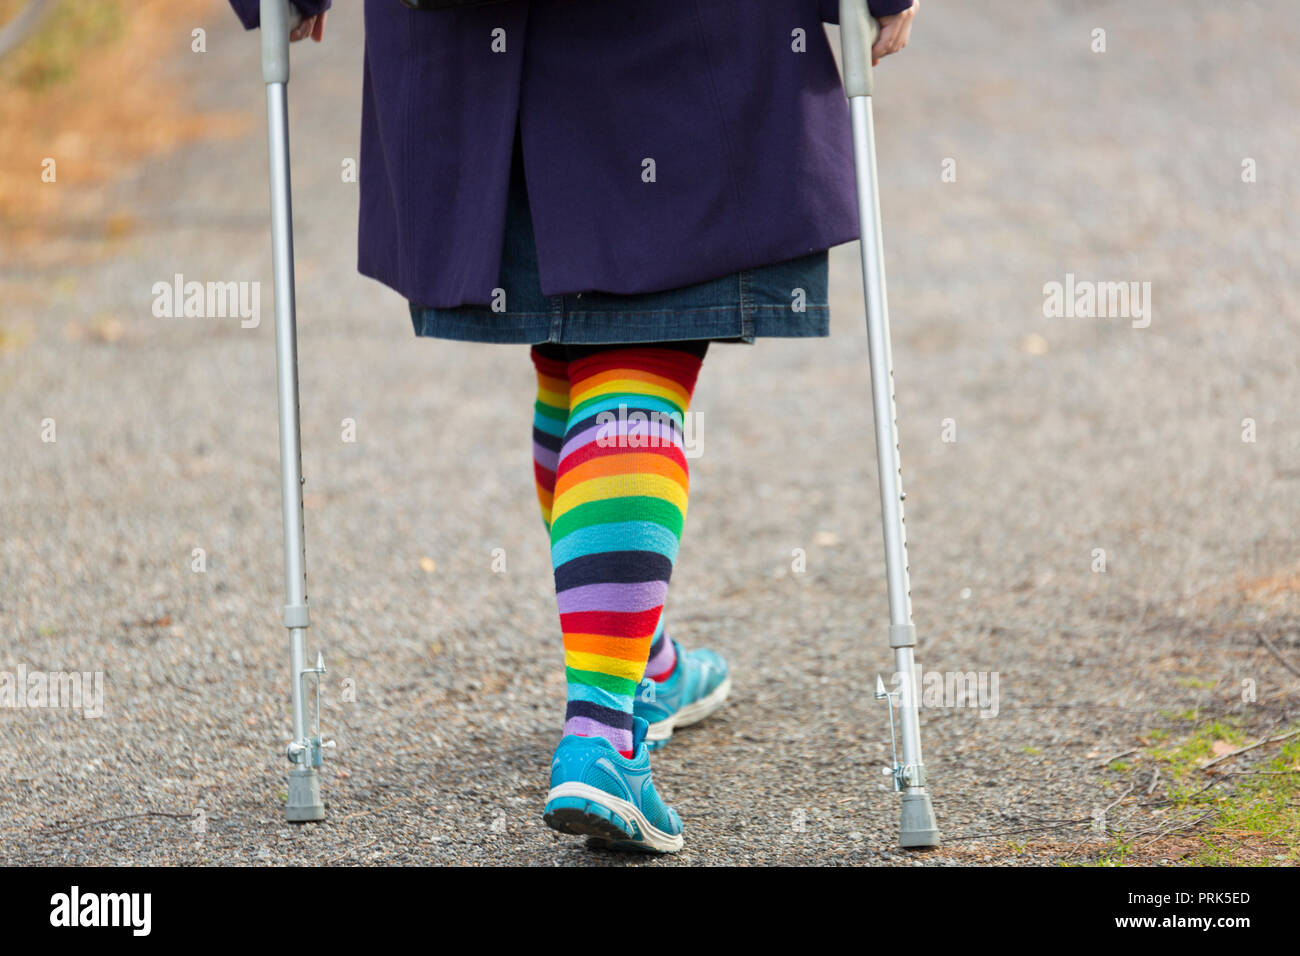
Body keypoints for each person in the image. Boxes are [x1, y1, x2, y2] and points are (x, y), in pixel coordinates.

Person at [229, 0, 918, 853]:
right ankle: (601, 738)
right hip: (679, 40)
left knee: (572, 340)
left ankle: (643, 666)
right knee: (637, 346)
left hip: (462, 44)